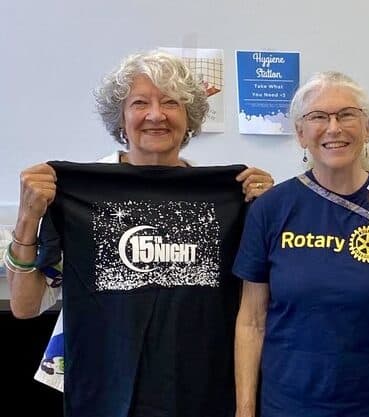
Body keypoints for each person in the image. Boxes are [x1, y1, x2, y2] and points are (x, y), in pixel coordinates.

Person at [5, 51, 274, 417]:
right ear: (120, 117)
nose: (155, 114)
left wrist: (267, 211)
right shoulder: (82, 194)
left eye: (170, 103)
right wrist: (27, 218)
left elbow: (259, 304)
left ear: (190, 118)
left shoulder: (229, 196)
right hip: (106, 390)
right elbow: (24, 306)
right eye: (139, 103)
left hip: (202, 393)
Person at [232, 71, 369, 417]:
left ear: (367, 129)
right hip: (289, 405)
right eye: (318, 117)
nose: (334, 128)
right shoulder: (270, 209)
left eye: (347, 115)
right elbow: (252, 320)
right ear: (300, 133)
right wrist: (245, 411)